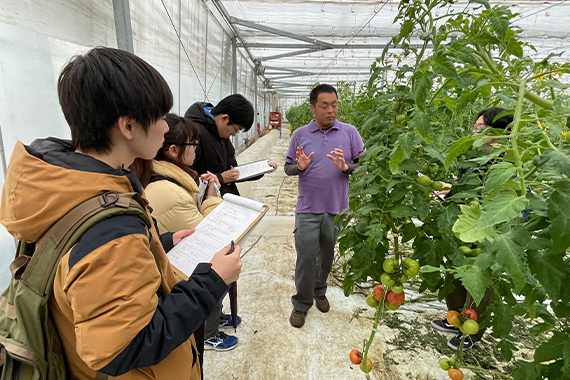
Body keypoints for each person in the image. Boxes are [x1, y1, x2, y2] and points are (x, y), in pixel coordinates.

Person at [0, 47, 242, 380]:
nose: (163, 128)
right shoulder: (112, 226)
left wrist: (164, 242)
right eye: (159, 117)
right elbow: (124, 346)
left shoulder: (64, 186)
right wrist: (211, 281)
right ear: (128, 125)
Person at [131, 114, 240, 352]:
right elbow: (208, 232)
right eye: (193, 144)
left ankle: (213, 320)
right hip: (179, 268)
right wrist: (212, 195)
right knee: (216, 267)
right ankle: (208, 334)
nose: (196, 150)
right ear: (173, 150)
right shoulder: (169, 190)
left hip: (171, 250)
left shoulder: (170, 178)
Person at [431, 107, 513, 350]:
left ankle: (472, 334)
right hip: (466, 223)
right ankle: (456, 317)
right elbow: (466, 188)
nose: (473, 132)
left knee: (481, 281)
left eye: (479, 129)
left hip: (489, 229)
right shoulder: (474, 157)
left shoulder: (507, 164)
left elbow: (499, 201)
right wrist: (452, 190)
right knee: (456, 271)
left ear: (498, 133)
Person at [284, 84, 364, 328]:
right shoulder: (300, 134)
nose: (331, 110)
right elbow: (288, 168)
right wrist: (300, 167)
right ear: (313, 108)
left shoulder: (350, 132)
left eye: (334, 104)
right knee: (306, 257)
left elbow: (365, 166)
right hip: (307, 208)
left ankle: (320, 291)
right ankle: (301, 304)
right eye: (324, 105)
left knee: (327, 256)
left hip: (337, 208)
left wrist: (346, 168)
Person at [184, 94, 276, 197]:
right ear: (224, 118)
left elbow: (232, 170)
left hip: (223, 198)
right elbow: (184, 178)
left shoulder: (222, 135)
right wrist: (221, 178)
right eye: (236, 130)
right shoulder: (193, 134)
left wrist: (260, 170)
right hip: (207, 205)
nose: (234, 134)